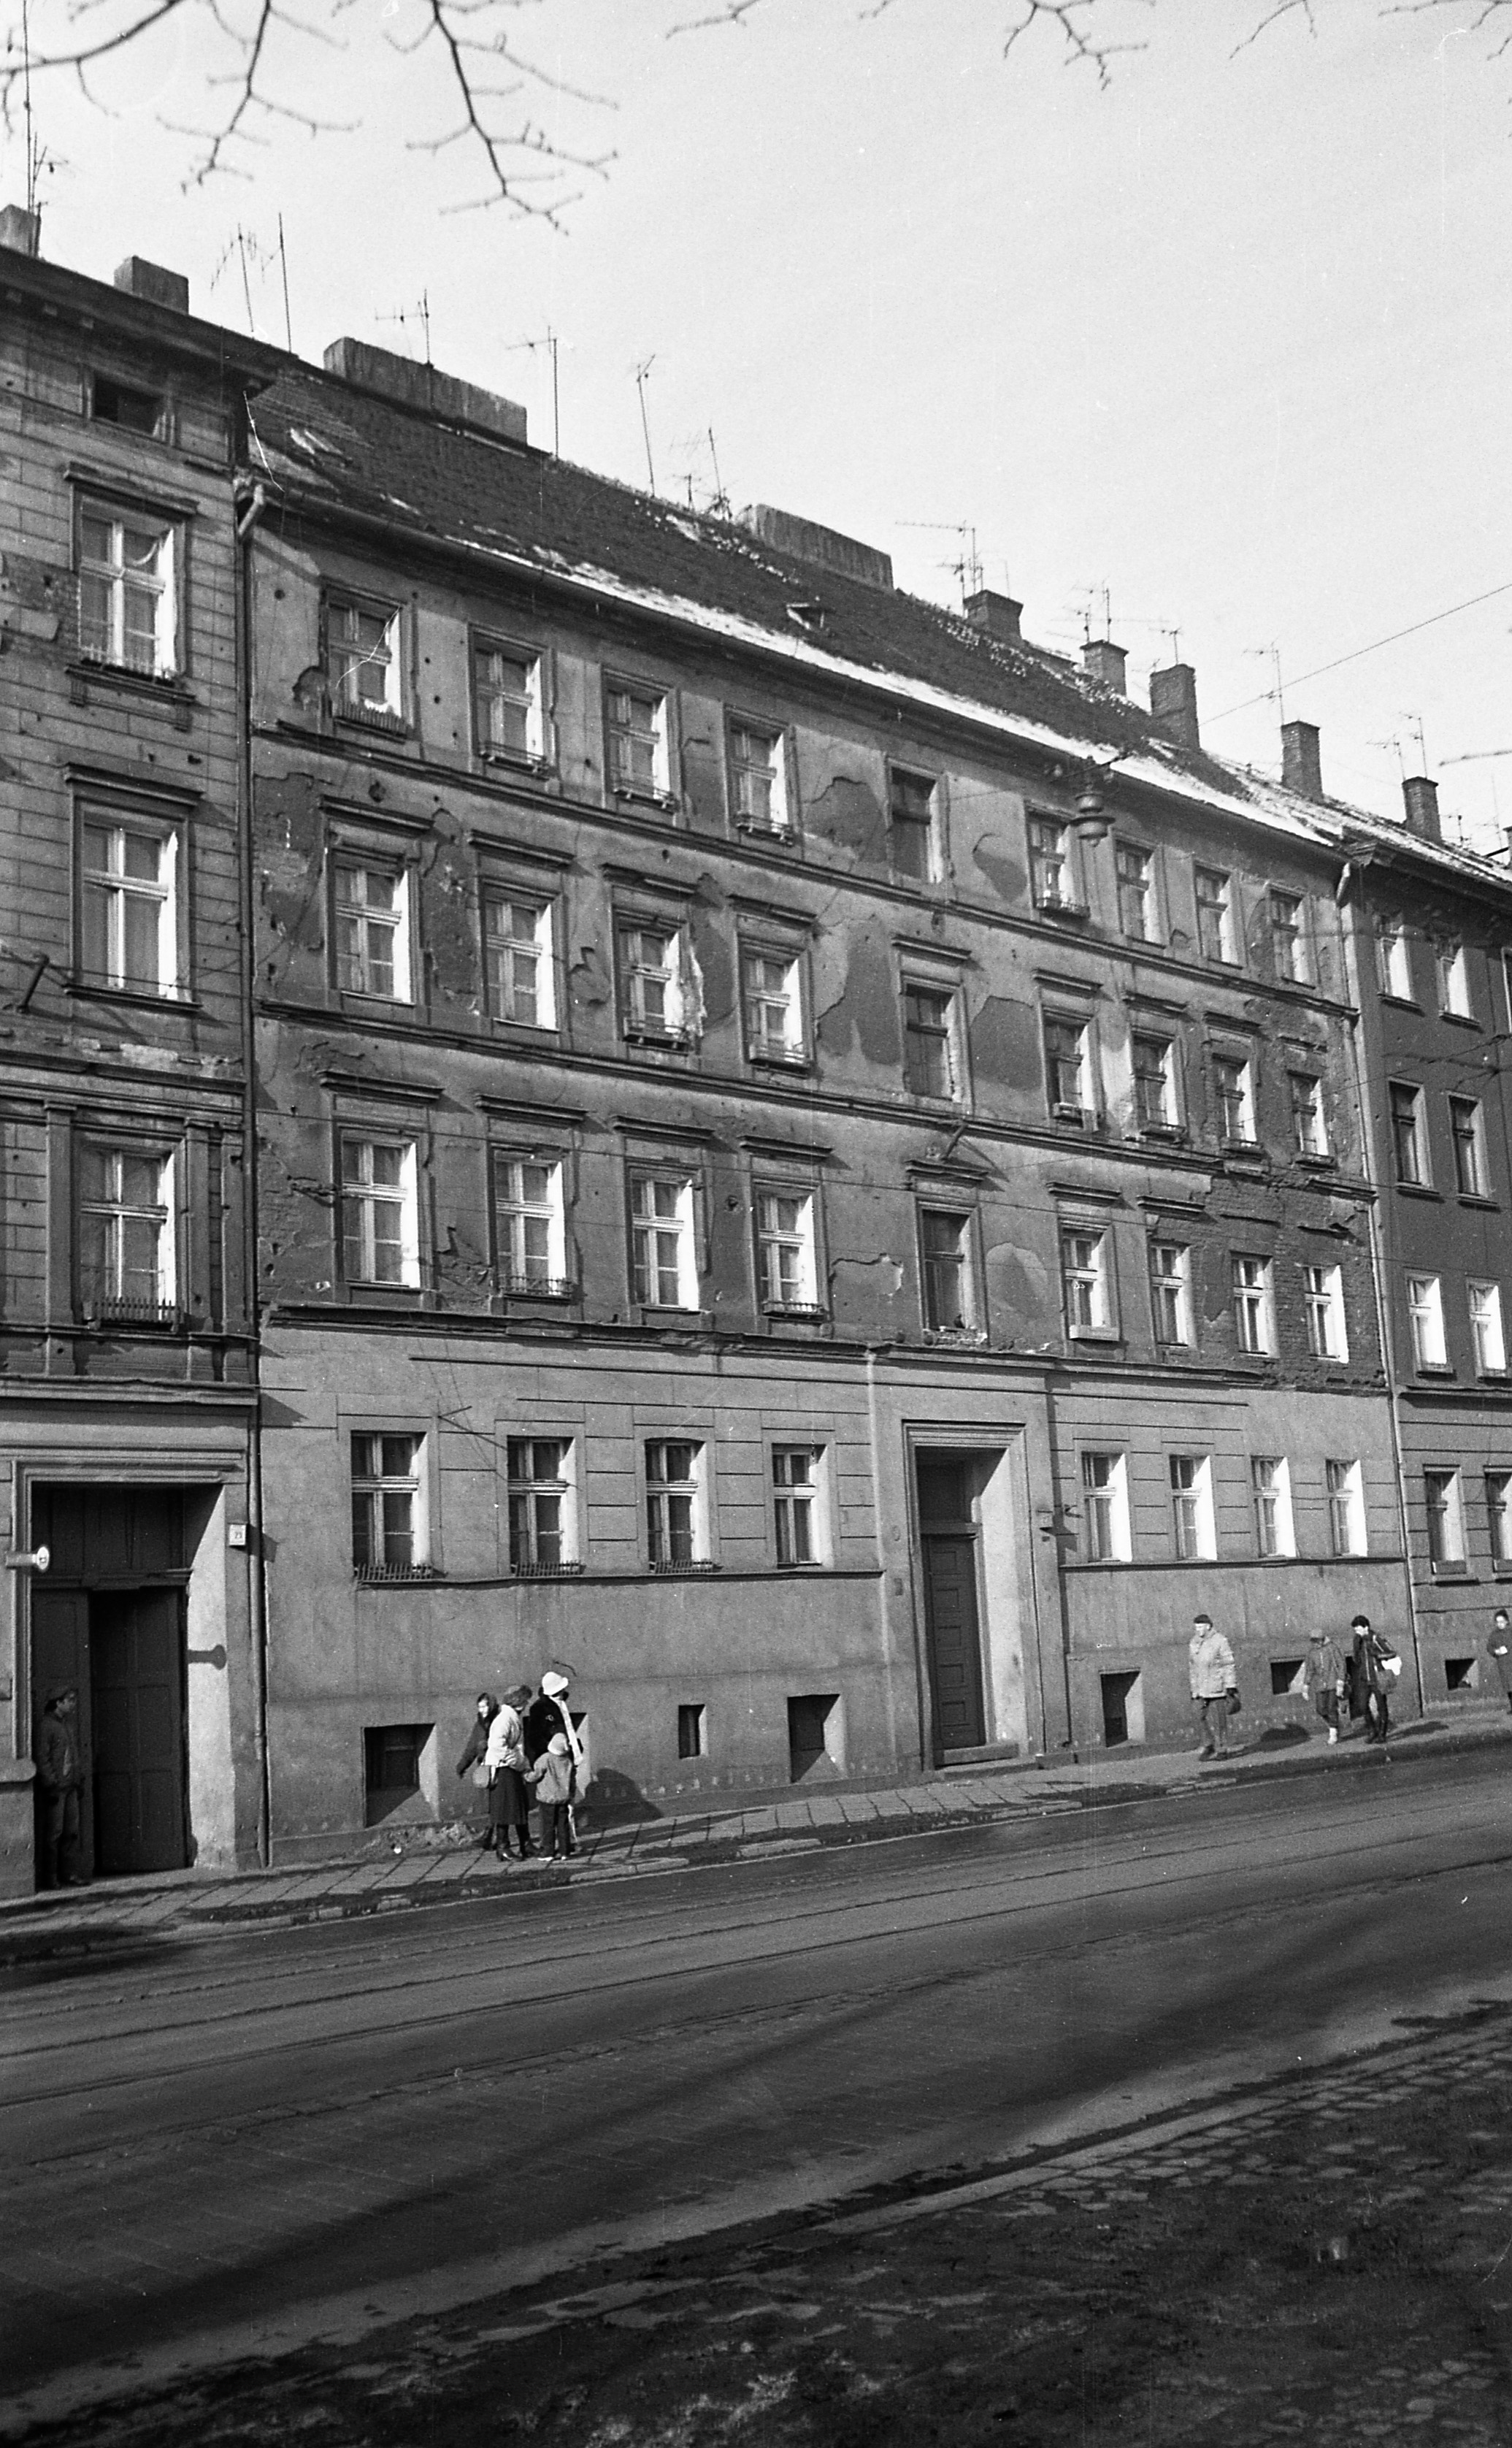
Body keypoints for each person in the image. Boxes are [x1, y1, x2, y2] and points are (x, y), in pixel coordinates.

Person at [36, 1686, 87, 1889]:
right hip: (57, 1789)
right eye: (70, 1700)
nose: (73, 1704)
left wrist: (78, 1779)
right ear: (58, 1702)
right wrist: (50, 1784)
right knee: (54, 1834)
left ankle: (69, 1874)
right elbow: (43, 1757)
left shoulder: (68, 1725)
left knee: (71, 1832)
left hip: (71, 1786)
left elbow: (73, 1755)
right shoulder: (46, 1726)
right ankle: (51, 1877)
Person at [483, 1686, 535, 1859]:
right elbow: (497, 1746)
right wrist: (518, 1762)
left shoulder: (511, 1717)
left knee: (519, 1806)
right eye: (525, 1700)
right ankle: (503, 1847)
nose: (527, 1704)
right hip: (503, 1768)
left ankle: (525, 1844)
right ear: (519, 1702)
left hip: (510, 1768)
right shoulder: (505, 1719)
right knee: (504, 1809)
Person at [1188, 1611, 1237, 1760]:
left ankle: (1222, 1750)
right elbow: (1192, 1667)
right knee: (1198, 1715)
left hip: (1217, 1686)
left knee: (1219, 1720)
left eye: (1200, 1627)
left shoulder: (1220, 1640)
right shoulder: (1194, 1642)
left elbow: (1228, 1663)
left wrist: (1230, 1685)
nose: (1198, 1630)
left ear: (1208, 1626)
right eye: (1196, 1627)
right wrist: (1194, 1689)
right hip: (1201, 1688)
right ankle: (1209, 1744)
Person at [455, 1693, 499, 1846]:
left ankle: (495, 1837)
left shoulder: (499, 1721)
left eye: (485, 1706)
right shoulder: (479, 1725)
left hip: (499, 1767)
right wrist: (462, 1766)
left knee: (498, 1803)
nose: (482, 1710)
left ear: (491, 1706)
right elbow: (472, 1747)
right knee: (490, 1803)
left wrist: (486, 1746)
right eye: (480, 1707)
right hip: (485, 1769)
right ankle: (490, 1835)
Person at [527, 1732, 576, 1862]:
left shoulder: (546, 1758)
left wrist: (526, 1776)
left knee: (547, 1826)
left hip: (547, 1798)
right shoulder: (568, 1761)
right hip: (563, 1798)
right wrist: (571, 1794)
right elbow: (572, 1780)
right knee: (563, 1825)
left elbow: (536, 1774)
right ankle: (565, 1851)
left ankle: (547, 1852)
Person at [1351, 1614, 1397, 1746]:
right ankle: (1373, 1730)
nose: (1357, 1632)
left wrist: (1377, 1655)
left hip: (1378, 1677)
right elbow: (1356, 1660)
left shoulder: (1376, 1638)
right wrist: (1356, 1646)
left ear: (1366, 1627)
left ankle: (1382, 1734)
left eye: (1358, 1629)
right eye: (1355, 1630)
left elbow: (1391, 1653)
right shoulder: (1358, 1640)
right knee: (1362, 1705)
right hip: (1365, 1678)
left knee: (1381, 1706)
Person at [1302, 1627, 1348, 1745]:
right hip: (1320, 1685)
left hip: (1333, 1682)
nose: (1315, 1643)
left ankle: (1333, 1733)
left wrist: (1341, 1681)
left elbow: (1341, 1664)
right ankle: (1335, 1726)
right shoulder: (1312, 1653)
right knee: (1321, 1709)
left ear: (1322, 1640)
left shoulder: (1332, 1648)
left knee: (1332, 1708)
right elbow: (1310, 1670)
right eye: (1313, 1641)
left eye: (1317, 1640)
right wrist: (1306, 1685)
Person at [1487, 1610, 1512, 1715]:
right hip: (1503, 1663)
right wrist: (1495, 1651)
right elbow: (1489, 1646)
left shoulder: (1510, 1632)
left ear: (1507, 1621)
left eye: (1502, 1621)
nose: (1500, 1624)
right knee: (1508, 1686)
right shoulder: (1494, 1634)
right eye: (1498, 1622)